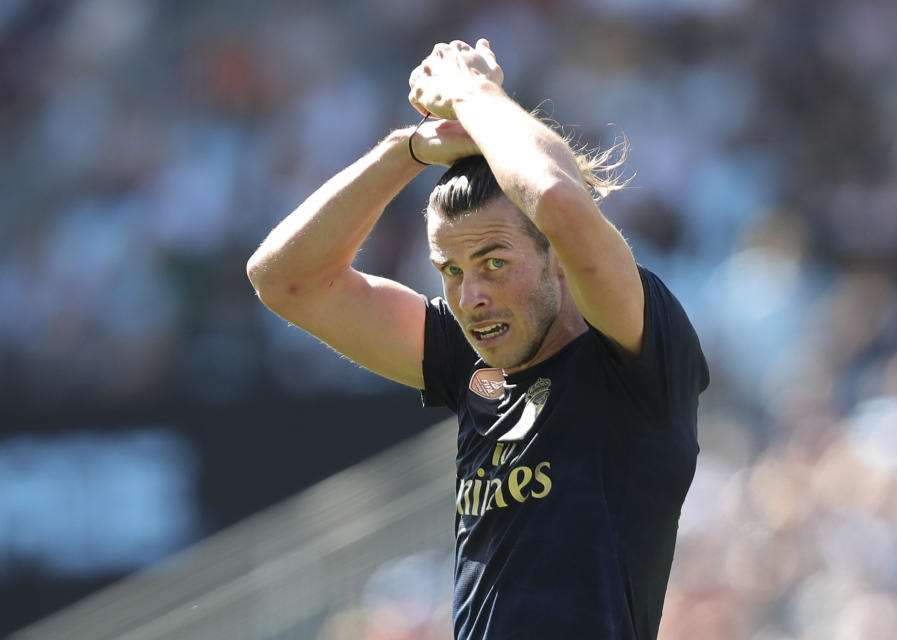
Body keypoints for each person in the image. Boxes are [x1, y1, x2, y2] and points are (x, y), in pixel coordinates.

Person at [247, 38, 709, 640]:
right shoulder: (469, 358)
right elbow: (285, 280)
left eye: (494, 262)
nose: (470, 298)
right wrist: (406, 150)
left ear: (559, 258)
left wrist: (474, 93)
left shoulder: (635, 349)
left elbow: (558, 199)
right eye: (451, 270)